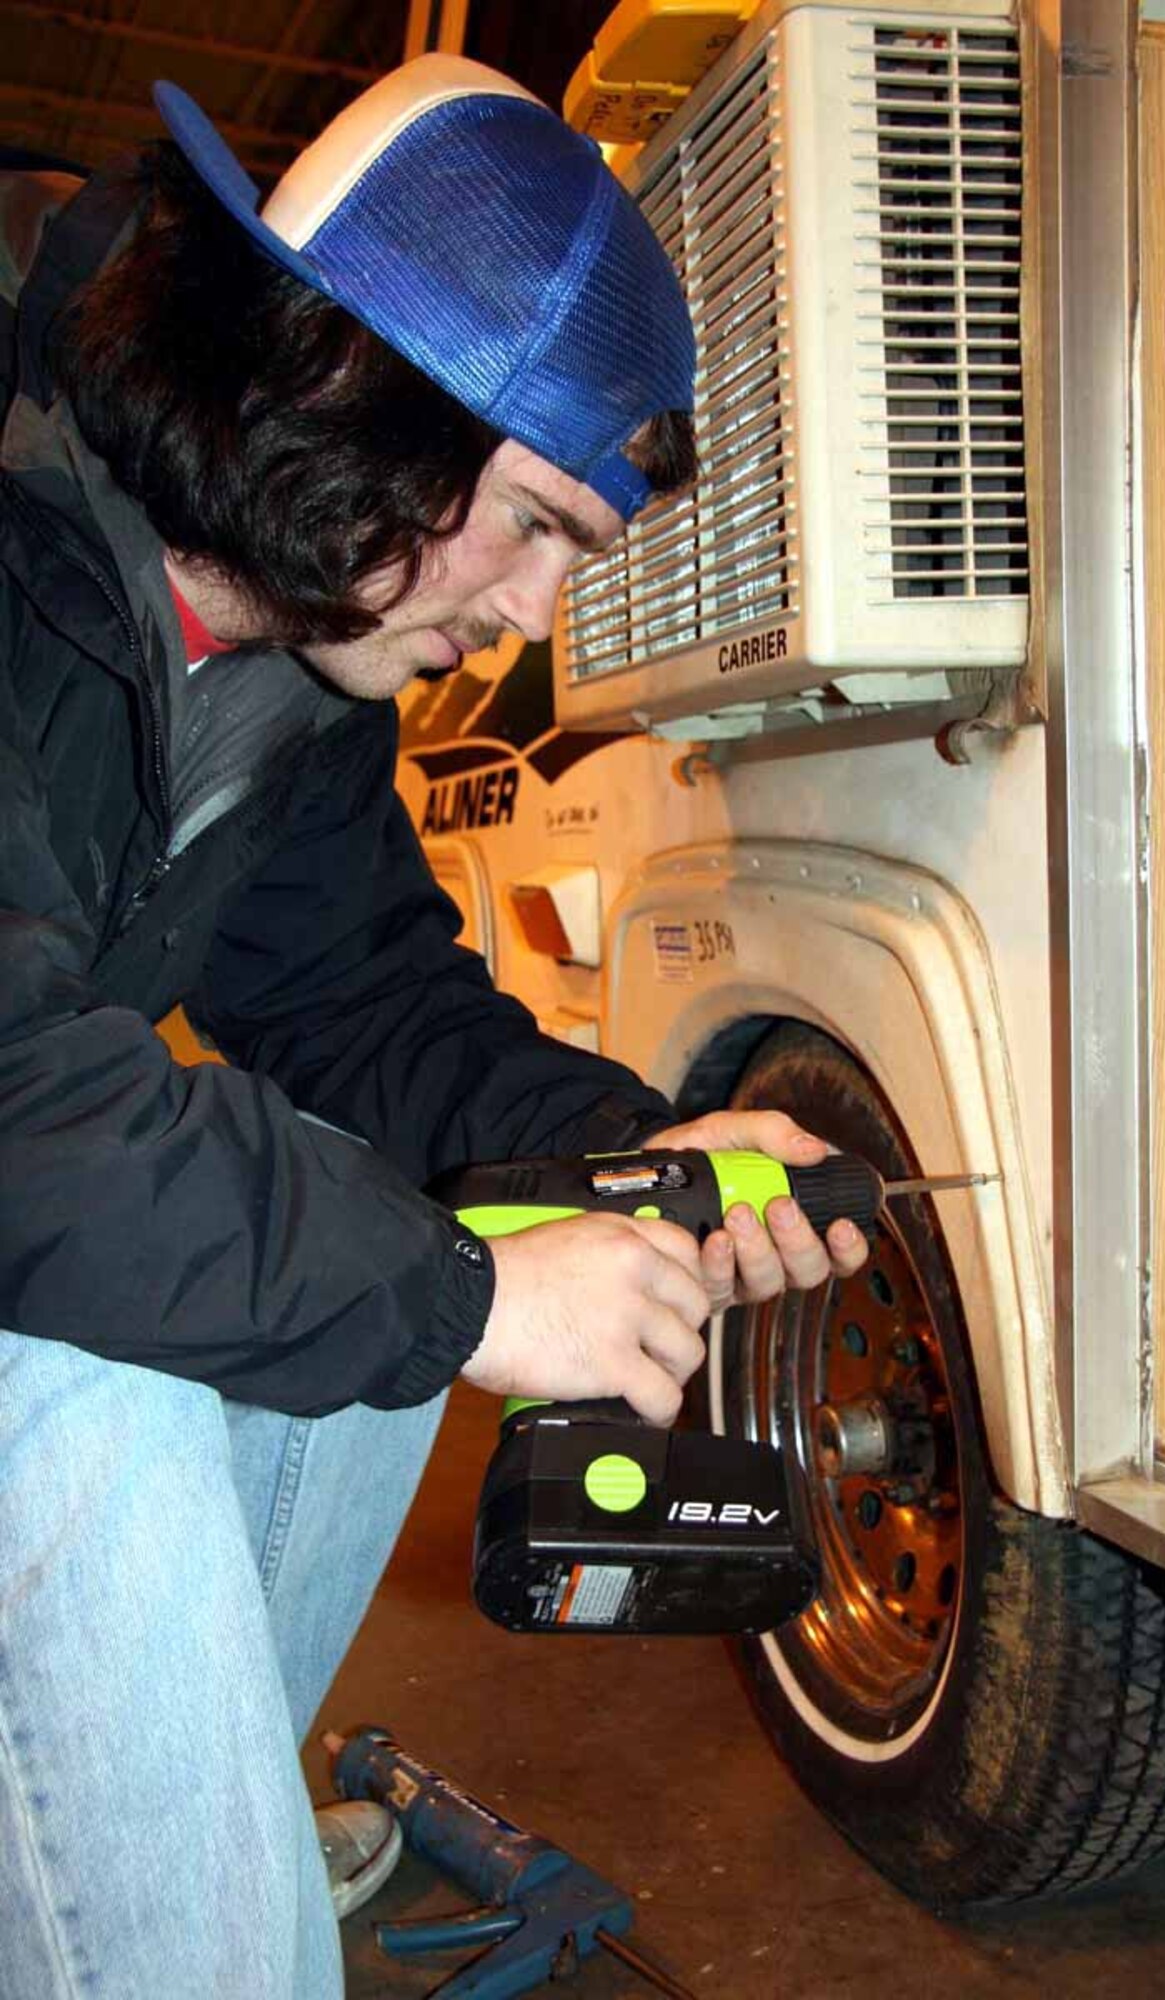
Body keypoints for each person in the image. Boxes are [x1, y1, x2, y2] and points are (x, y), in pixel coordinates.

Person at [0, 54, 869, 2000]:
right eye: (539, 523)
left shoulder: (292, 693)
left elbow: (368, 1001)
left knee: (345, 1226)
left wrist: (652, 1150)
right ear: (357, 406)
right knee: (95, 1358)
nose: (537, 610)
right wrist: (476, 1299)